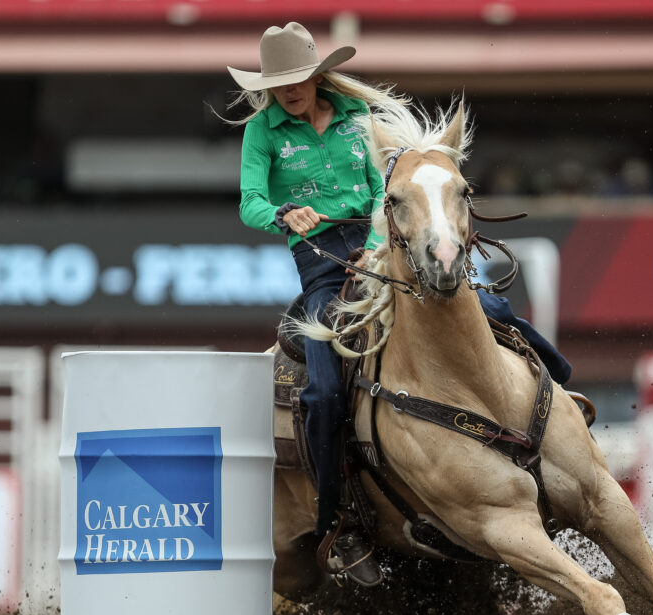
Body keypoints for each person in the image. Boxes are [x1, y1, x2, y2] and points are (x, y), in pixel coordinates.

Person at [226, 22, 572, 585]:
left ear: (317, 76)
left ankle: (563, 403)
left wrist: (374, 252)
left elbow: (382, 192)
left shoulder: (357, 122)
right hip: (320, 266)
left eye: (299, 79)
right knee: (322, 387)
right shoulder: (263, 132)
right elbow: (250, 203)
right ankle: (339, 521)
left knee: (497, 315)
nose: (291, 91)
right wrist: (284, 215)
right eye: (280, 83)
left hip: (383, 247)